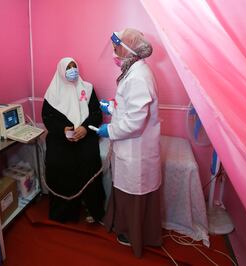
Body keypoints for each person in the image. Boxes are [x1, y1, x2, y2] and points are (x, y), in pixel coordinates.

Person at [97, 29, 162, 257]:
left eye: (116, 48)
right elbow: (129, 108)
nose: (114, 52)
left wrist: (110, 130)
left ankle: (133, 235)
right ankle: (128, 229)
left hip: (136, 151)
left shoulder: (138, 76)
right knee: (126, 189)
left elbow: (135, 121)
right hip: (131, 150)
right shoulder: (133, 71)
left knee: (133, 192)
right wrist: (112, 107)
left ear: (128, 49)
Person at [42, 57, 105, 224]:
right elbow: (48, 118)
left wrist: (85, 128)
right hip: (62, 137)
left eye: (74, 66)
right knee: (57, 163)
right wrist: (63, 129)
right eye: (68, 67)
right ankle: (65, 212)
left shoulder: (88, 89)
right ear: (61, 71)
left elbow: (96, 114)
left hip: (85, 135)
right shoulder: (52, 92)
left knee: (90, 161)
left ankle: (94, 208)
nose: (72, 70)